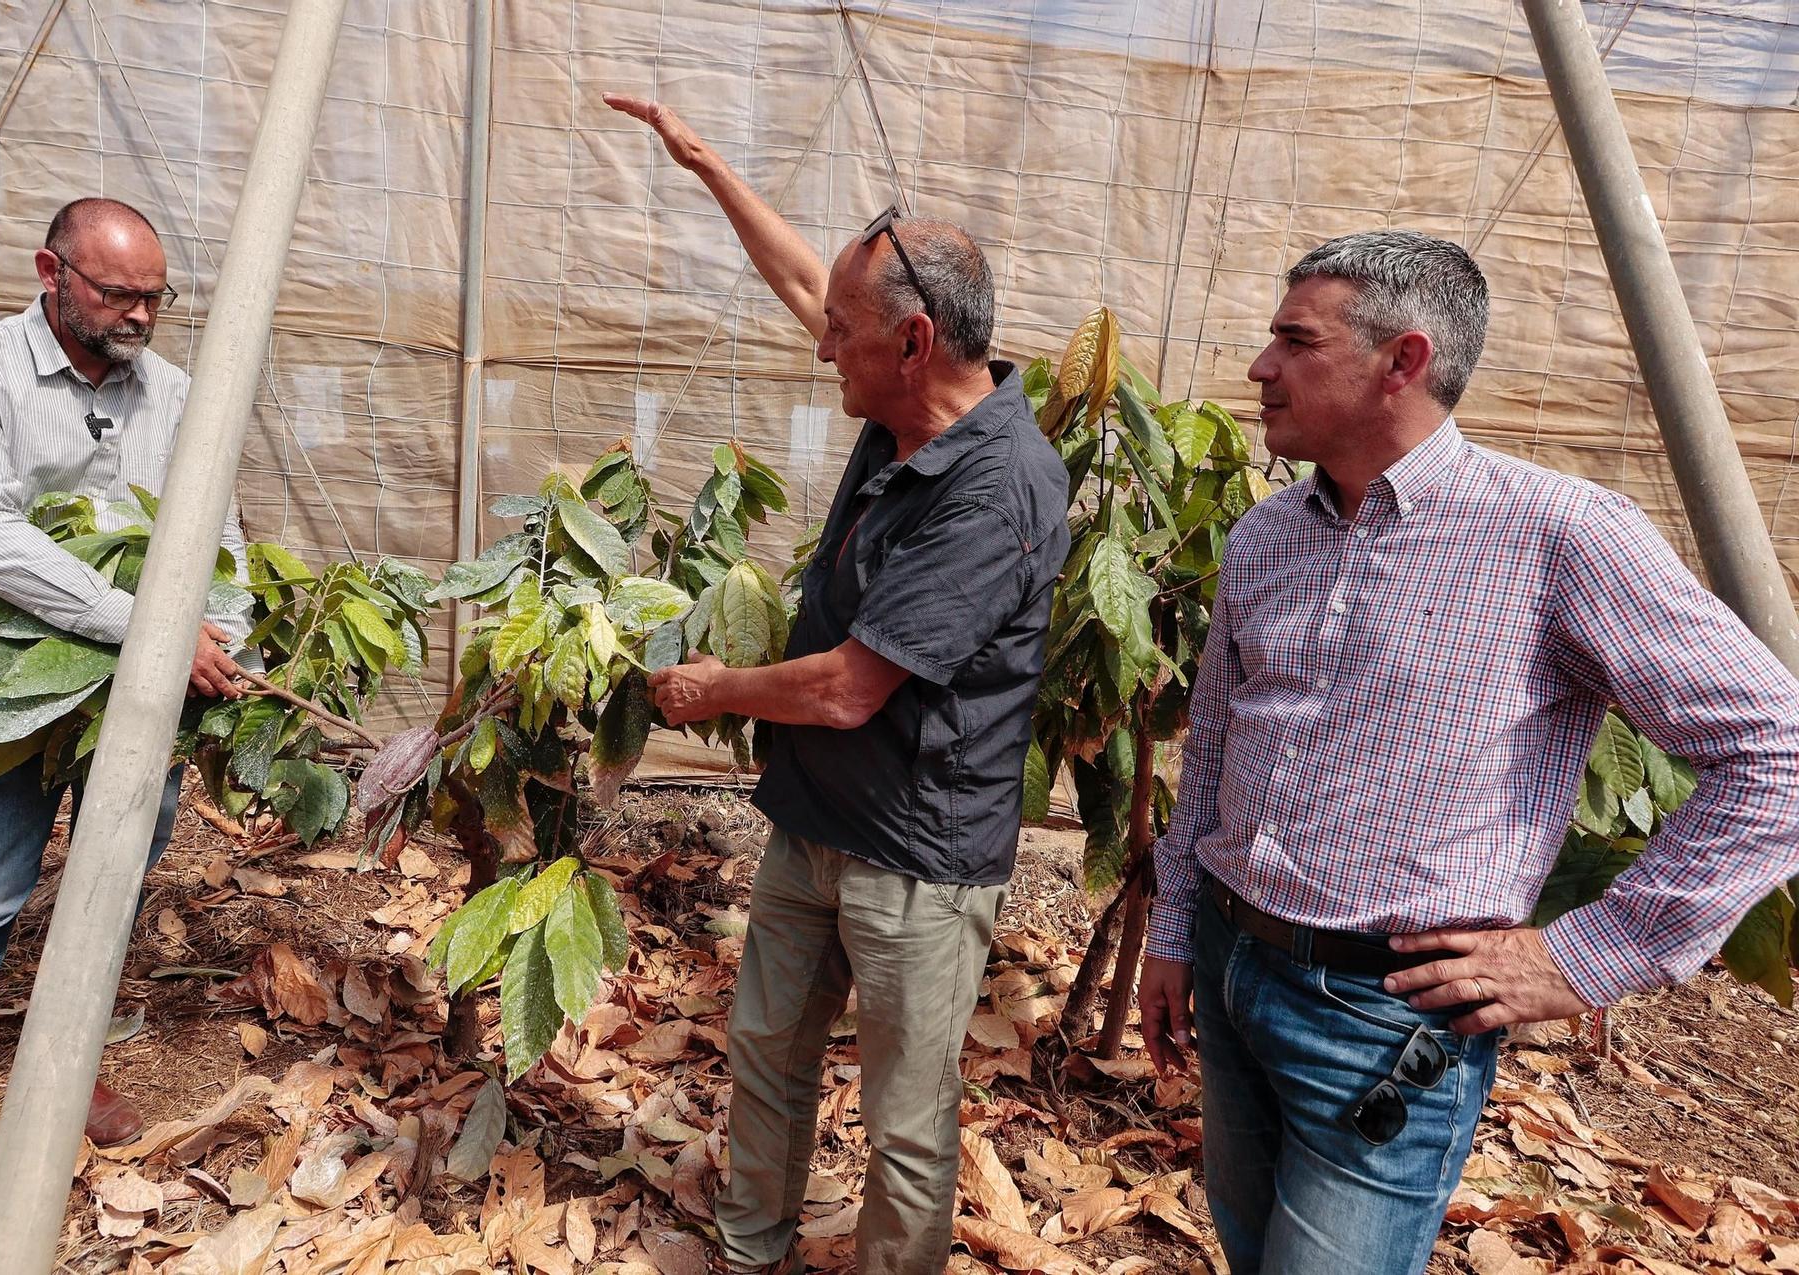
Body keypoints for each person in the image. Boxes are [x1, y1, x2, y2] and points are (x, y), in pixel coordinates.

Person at [1136, 228, 1799, 1274]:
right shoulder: (1267, 534)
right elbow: (1213, 747)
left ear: (1400, 361)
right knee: (1246, 1248)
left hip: (1383, 1015)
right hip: (1229, 963)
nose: (1258, 368)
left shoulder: (1561, 535)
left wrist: (1587, 953)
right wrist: (1175, 927)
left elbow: (1775, 751)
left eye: (1291, 340)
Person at [608, 95, 1070, 1274]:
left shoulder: (995, 488)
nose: (823, 347)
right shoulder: (907, 406)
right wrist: (706, 160)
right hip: (813, 820)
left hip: (913, 854)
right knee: (766, 1050)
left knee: (904, 1124)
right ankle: (749, 1248)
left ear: (912, 343)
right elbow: (811, 284)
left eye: (844, 335)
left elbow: (847, 690)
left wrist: (711, 692)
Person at [0, 197, 252, 1275]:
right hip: (24, 676)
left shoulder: (171, 391)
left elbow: (219, 531)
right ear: (50, 272)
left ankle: (59, 1060)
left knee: (113, 878)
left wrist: (229, 637)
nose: (140, 315)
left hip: (148, 688)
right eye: (117, 292)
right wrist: (154, 629)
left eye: (155, 296)